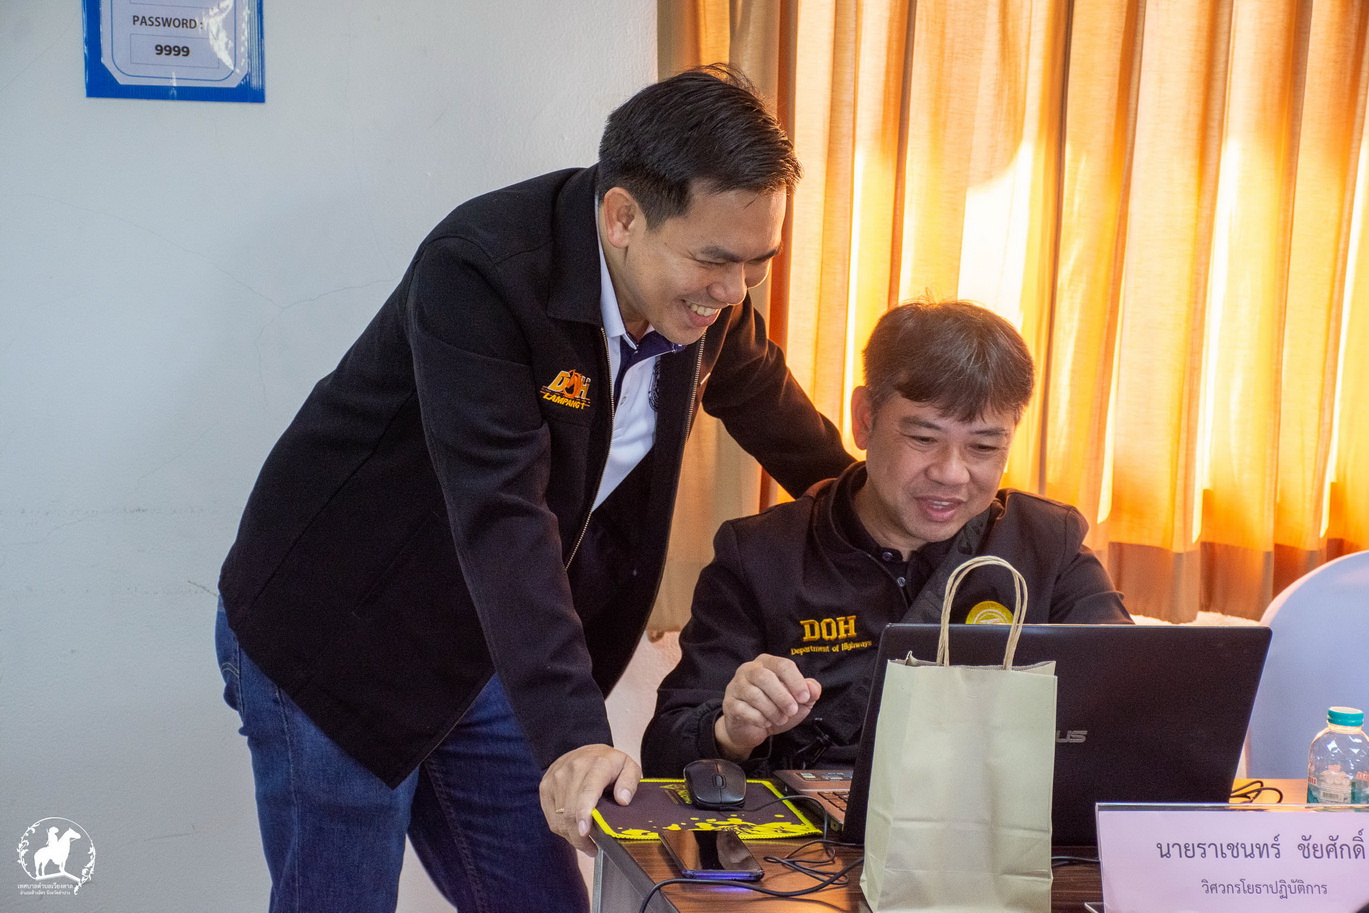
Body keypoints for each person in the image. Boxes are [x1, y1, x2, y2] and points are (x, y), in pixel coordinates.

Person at [214, 65, 853, 913]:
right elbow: (503, 513)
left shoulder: (704, 301)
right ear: (622, 217)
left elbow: (781, 420)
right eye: (713, 260)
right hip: (341, 632)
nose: (733, 291)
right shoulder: (482, 271)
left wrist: (893, 511)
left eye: (755, 264)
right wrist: (575, 736)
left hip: (488, 641)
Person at [641, 298, 1132, 778]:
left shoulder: (1046, 545)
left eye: (984, 447)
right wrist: (732, 732)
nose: (951, 473)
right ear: (865, 419)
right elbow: (666, 749)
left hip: (991, 820)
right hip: (809, 827)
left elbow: (1134, 697)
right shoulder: (763, 556)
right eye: (923, 439)